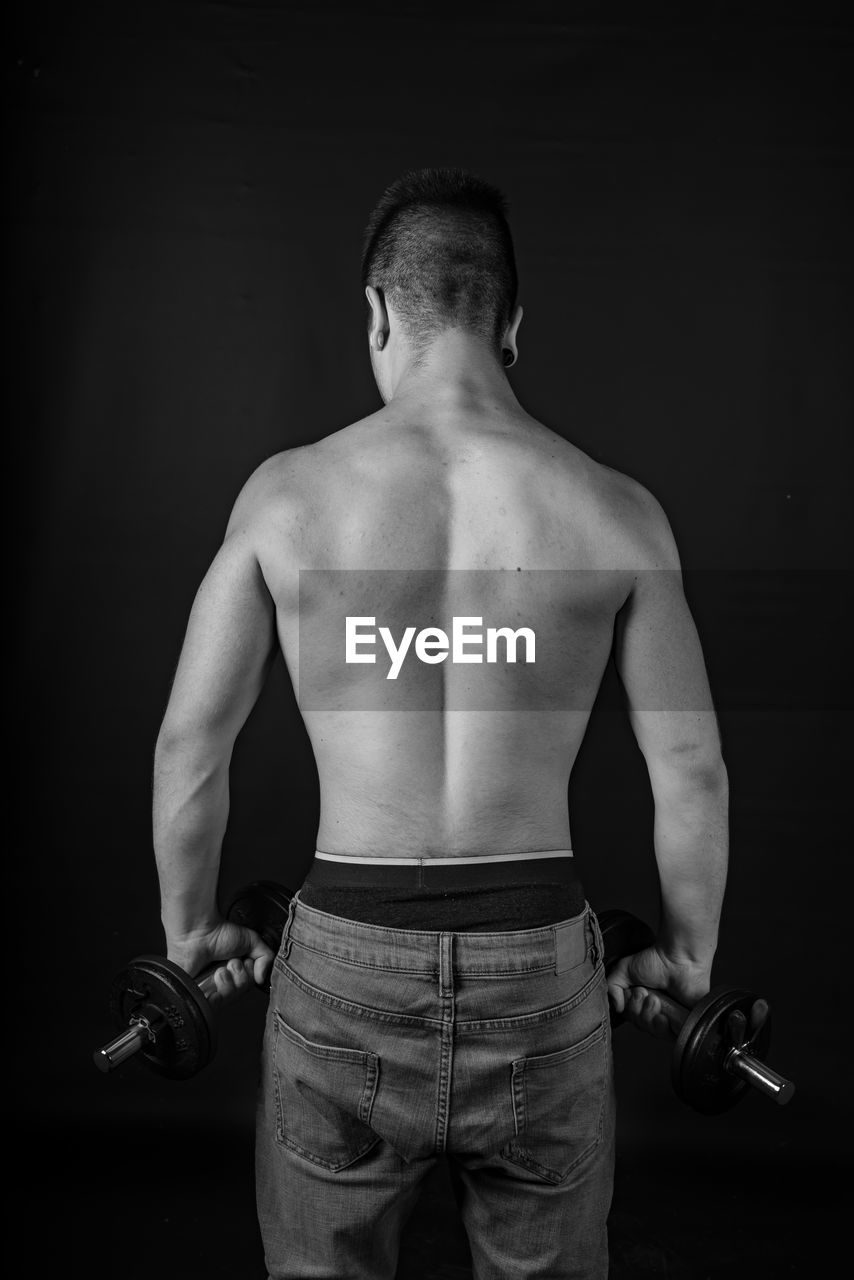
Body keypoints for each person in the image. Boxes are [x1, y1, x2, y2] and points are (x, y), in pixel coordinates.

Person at [152, 167, 729, 1279]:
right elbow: (689, 765)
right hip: (538, 969)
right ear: (510, 325)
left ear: (377, 312)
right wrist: (691, 957)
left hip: (342, 964)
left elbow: (192, 743)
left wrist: (185, 937)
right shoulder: (615, 509)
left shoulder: (287, 495)